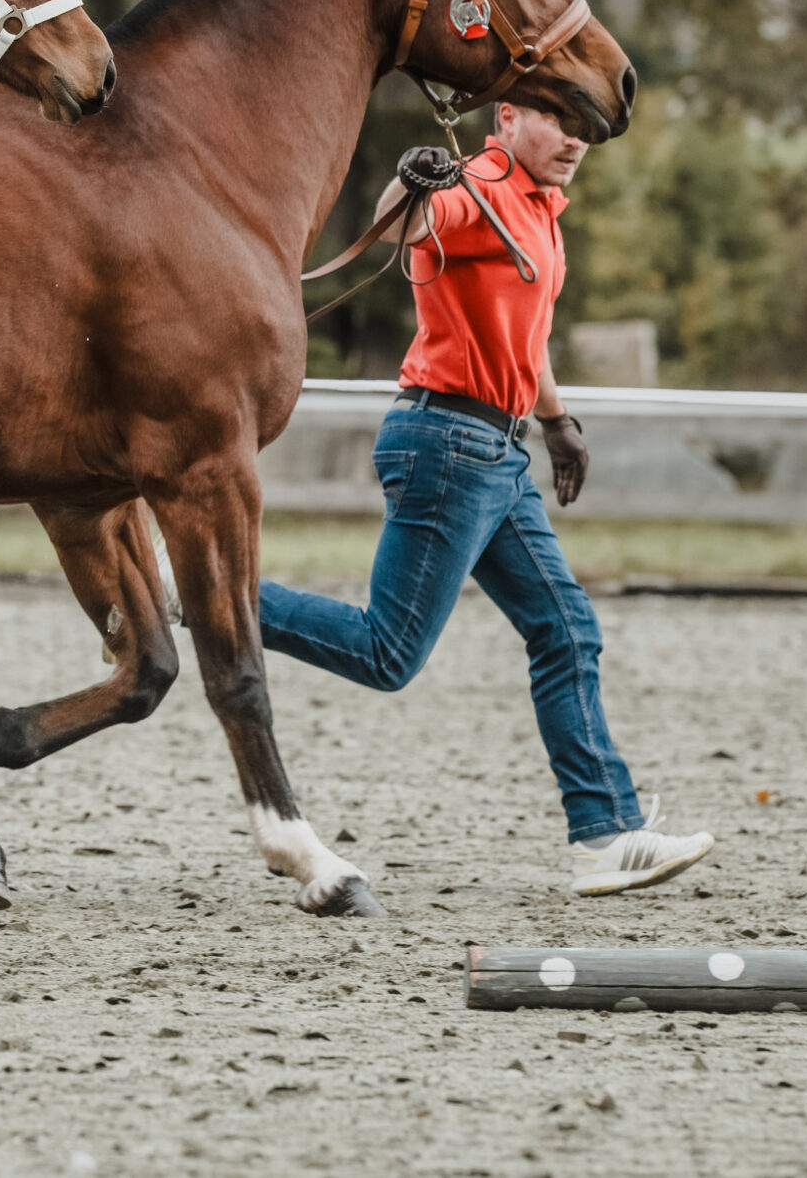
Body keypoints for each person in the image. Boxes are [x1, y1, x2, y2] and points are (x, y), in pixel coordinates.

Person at [260, 101, 713, 895]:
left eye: (586, 129)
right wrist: (410, 181)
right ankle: (201, 592)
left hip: (499, 450)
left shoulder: (540, 205)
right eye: (560, 121)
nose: (577, 139)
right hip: (448, 444)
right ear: (506, 117)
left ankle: (605, 835)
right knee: (386, 653)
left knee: (566, 627)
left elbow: (524, 335)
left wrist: (557, 419)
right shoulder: (483, 183)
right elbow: (412, 222)